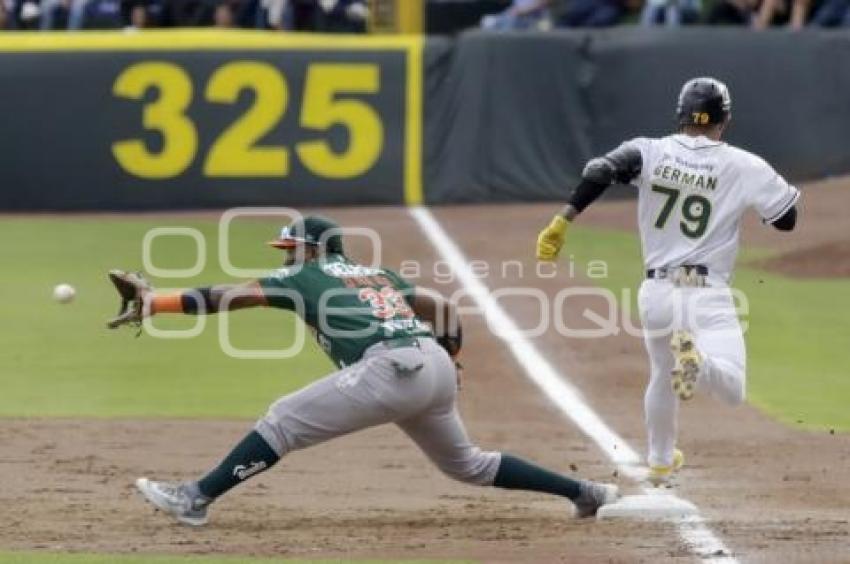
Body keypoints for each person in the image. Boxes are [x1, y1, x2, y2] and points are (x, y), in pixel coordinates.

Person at [109, 215, 618, 526]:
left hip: (390, 368)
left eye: (292, 248)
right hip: (430, 364)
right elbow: (442, 306)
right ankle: (585, 493)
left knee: (283, 419)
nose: (287, 256)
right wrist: (452, 357)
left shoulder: (304, 274)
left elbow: (226, 297)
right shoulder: (376, 272)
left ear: (312, 249)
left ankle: (195, 498)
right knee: (468, 465)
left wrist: (158, 302)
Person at [536, 78, 799, 485]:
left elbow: (600, 169)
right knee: (731, 388)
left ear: (680, 115)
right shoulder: (745, 164)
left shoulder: (649, 150)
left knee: (662, 371)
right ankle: (700, 363)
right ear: (724, 120)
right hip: (705, 292)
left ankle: (660, 459)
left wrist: (563, 219)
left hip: (656, 292)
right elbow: (786, 220)